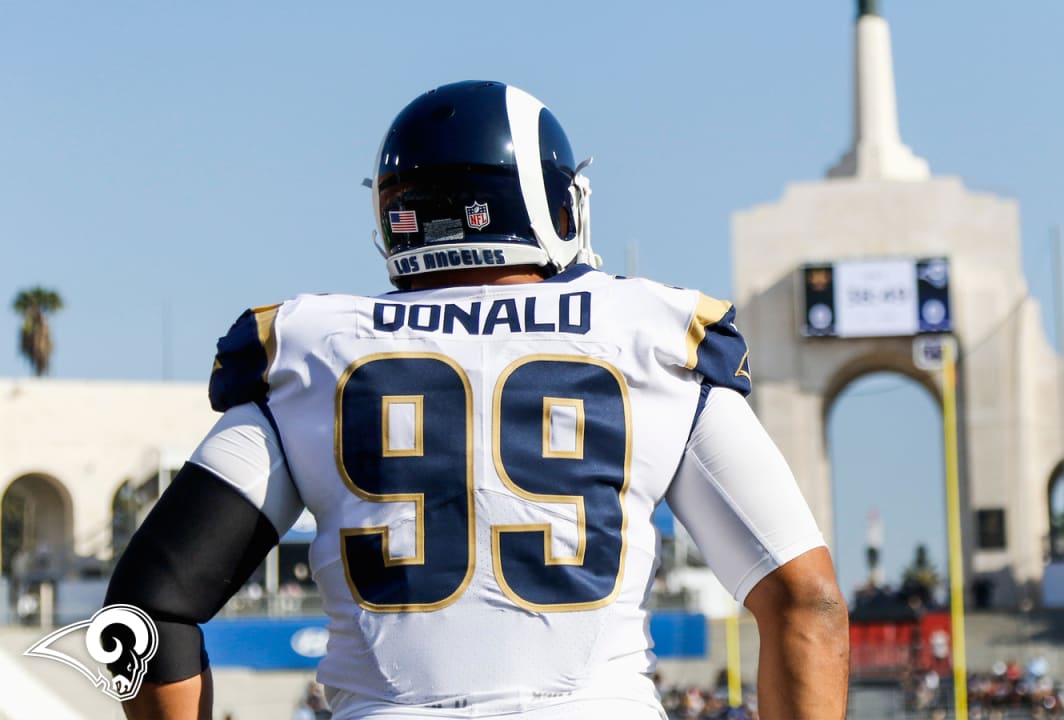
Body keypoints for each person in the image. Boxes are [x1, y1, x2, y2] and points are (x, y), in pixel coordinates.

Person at [104, 80, 848, 719]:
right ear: (555, 203)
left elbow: (143, 610)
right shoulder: (652, 335)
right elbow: (805, 601)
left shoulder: (311, 348)